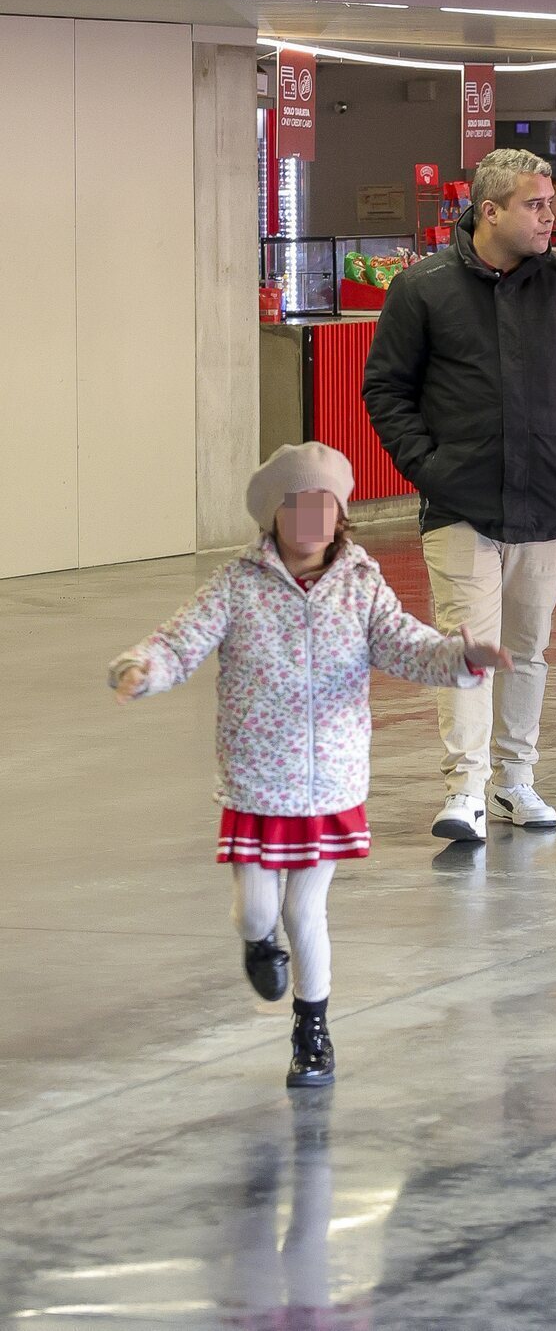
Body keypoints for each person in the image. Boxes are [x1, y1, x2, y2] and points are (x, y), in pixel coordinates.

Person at [108, 442, 511, 1087]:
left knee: (306, 912)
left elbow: (407, 646)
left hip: (329, 781)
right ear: (273, 516)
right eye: (296, 507)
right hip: (257, 780)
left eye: (323, 507)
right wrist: (141, 669)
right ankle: (256, 944)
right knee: (258, 913)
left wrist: (460, 658)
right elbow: (180, 640)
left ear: (340, 515)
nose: (310, 521)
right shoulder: (238, 585)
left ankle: (312, 1033)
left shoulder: (361, 583)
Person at [363, 148, 556, 842]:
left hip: (550, 502)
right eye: (535, 205)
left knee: (529, 648)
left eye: (551, 204)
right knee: (468, 646)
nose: (553, 216)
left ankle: (516, 782)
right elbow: (386, 388)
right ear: (490, 210)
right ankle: (465, 792)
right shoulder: (422, 288)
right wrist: (429, 466)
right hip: (461, 504)